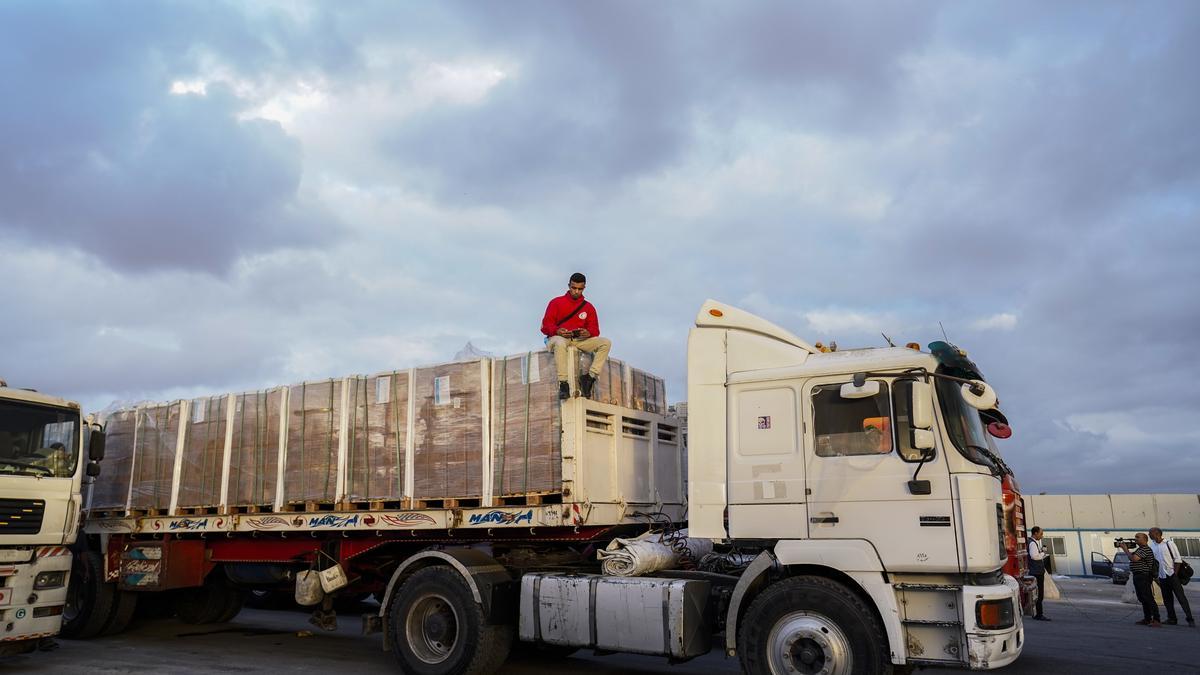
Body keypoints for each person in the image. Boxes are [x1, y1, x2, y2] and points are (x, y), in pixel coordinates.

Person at [540, 273, 612, 400]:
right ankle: (563, 384)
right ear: (569, 286)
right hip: (559, 338)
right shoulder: (556, 302)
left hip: (579, 340)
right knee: (560, 343)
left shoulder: (589, 307)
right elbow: (545, 326)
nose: (576, 291)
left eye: (580, 289)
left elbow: (595, 329)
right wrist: (558, 331)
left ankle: (589, 378)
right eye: (574, 288)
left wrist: (588, 333)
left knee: (606, 342)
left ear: (584, 288)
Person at [1149, 527, 1195, 626]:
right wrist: (1156, 576)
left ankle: (1190, 619)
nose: (1149, 535)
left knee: (1181, 598)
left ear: (1157, 533)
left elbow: (1177, 560)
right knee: (1167, 599)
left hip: (1172, 575)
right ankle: (1172, 619)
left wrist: (1174, 574)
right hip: (1162, 577)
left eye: (1150, 533)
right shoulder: (1152, 546)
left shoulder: (1169, 544)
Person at [1120, 533, 1162, 627]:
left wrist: (1125, 549)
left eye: (1138, 537)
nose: (1135, 539)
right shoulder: (1140, 549)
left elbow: (1134, 558)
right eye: (1135, 537)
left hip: (1143, 576)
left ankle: (1156, 619)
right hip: (1138, 576)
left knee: (1148, 598)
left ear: (1145, 539)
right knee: (1143, 598)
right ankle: (1147, 618)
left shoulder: (1145, 549)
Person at [1028, 526, 1051, 621]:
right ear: (1035, 533)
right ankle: (1039, 614)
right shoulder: (1032, 543)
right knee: (1039, 594)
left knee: (1037, 594)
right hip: (1037, 572)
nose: (1042, 536)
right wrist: (1042, 554)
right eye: (1041, 534)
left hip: (1035, 571)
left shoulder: (1031, 542)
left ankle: (1037, 613)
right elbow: (1034, 556)